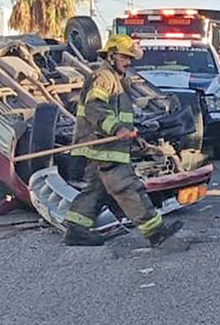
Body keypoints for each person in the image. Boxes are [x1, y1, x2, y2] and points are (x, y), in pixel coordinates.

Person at [64, 34, 188, 250]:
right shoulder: (103, 78)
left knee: (96, 190)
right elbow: (95, 107)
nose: (128, 62)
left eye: (130, 58)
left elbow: (121, 116)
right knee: (127, 187)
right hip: (103, 145)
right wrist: (117, 128)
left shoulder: (118, 79)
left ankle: (77, 230)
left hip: (105, 145)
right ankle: (155, 233)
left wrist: (135, 138)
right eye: (124, 57)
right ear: (111, 55)